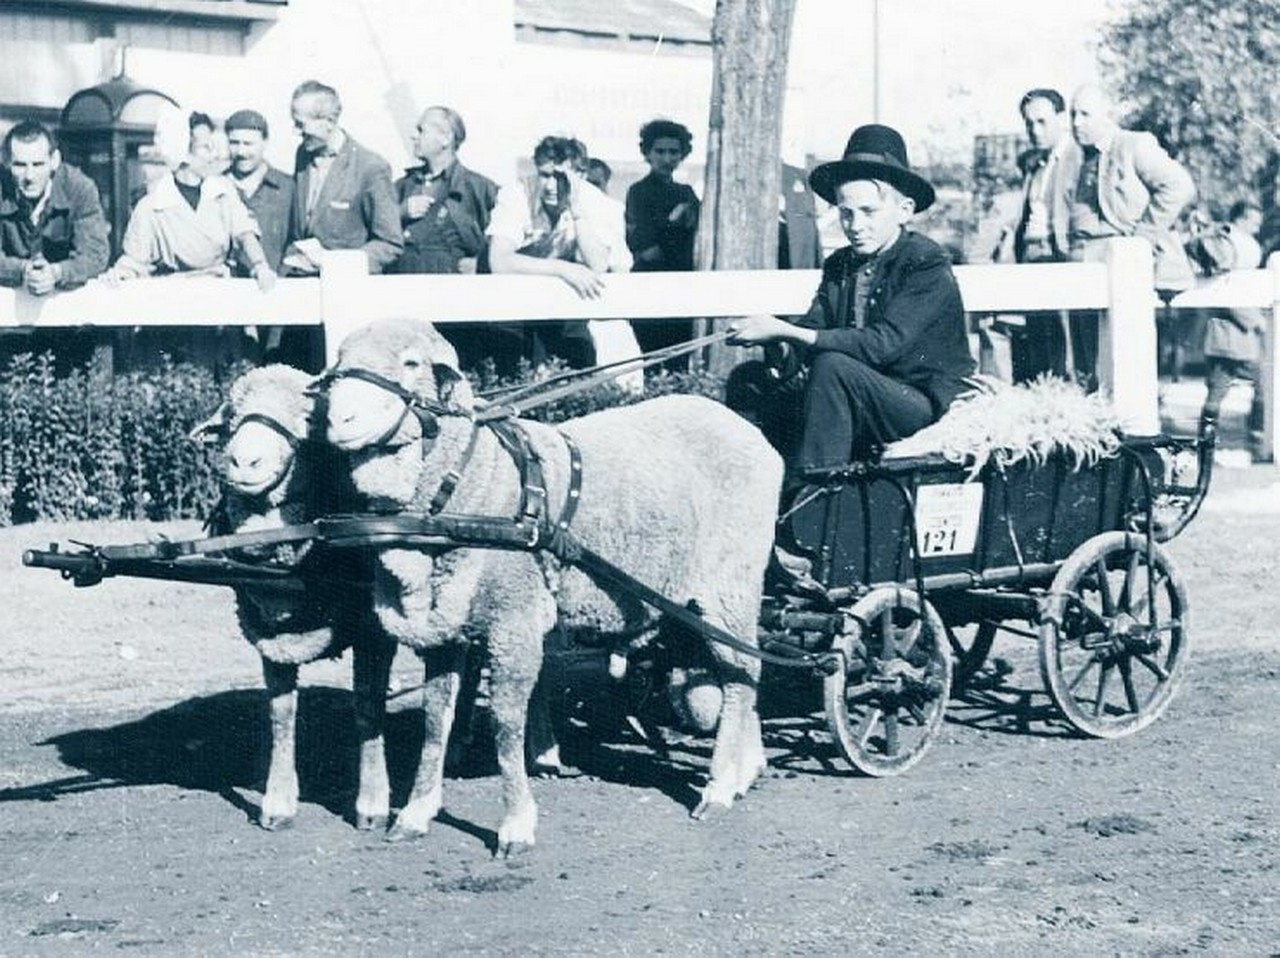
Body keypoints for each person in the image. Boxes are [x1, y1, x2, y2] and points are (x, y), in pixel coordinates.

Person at [726, 123, 975, 474]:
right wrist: (779, 345)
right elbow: (815, 326)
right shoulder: (840, 264)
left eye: (869, 212)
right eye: (846, 213)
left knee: (832, 368)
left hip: (924, 402)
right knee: (749, 378)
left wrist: (788, 331)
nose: (855, 225)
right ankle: (757, 485)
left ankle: (816, 497)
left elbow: (882, 345)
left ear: (904, 210)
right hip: (864, 392)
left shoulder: (924, 262)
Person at [1048, 84, 1196, 388]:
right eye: (1074, 114)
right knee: (1085, 363)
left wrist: (1140, 238)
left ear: (1108, 115)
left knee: (1122, 357)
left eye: (1085, 114)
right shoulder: (1072, 157)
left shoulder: (1133, 145)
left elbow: (1179, 186)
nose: (1076, 123)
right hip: (1078, 263)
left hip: (1118, 261)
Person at [486, 135, 633, 370]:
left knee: (578, 368)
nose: (550, 185)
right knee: (510, 374)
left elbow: (598, 264)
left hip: (565, 309)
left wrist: (577, 212)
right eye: (544, 175)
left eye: (560, 177)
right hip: (513, 307)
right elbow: (499, 261)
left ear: (581, 175)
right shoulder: (516, 193)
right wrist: (563, 269)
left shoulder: (597, 202)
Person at [286, 80, 402, 276]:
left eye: (301, 124)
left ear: (330, 122)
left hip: (346, 290)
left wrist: (335, 265)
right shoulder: (303, 154)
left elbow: (390, 243)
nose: (295, 132)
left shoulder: (371, 168)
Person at [995, 88, 1072, 381]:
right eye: (1029, 123)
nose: (1035, 130)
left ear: (1061, 119)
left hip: (1058, 257)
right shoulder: (1036, 165)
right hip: (1031, 258)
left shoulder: (1075, 158)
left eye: (1042, 121)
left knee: (1063, 344)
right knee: (1039, 340)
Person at [0, 119, 109, 296]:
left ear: (54, 160)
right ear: (6, 163)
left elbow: (95, 255)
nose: (29, 176)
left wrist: (57, 272)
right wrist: (23, 269)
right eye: (19, 165)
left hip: (68, 303)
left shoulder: (80, 188)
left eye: (38, 164)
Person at [625, 119, 701, 360]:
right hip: (649, 287)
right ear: (647, 153)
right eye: (660, 151)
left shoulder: (687, 193)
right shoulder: (638, 191)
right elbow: (647, 250)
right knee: (655, 359)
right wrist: (674, 223)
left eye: (673, 152)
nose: (667, 158)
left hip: (685, 289)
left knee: (681, 357)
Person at [1197, 199, 1266, 459]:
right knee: (1220, 390)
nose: (1257, 228)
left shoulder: (1239, 245)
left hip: (1238, 335)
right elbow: (1226, 293)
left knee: (1262, 385)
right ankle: (1208, 445)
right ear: (1241, 219)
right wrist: (1254, 319)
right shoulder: (1227, 246)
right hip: (1229, 331)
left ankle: (1257, 441)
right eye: (1253, 222)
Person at [225, 109, 293, 274]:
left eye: (248, 144)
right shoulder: (215, 188)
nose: (241, 152)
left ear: (265, 142)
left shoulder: (288, 188)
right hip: (226, 290)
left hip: (276, 289)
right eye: (234, 143)